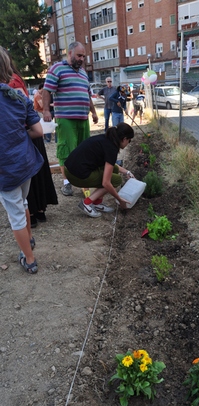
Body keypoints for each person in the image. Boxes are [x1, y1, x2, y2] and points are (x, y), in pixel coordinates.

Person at [0, 46, 44, 274]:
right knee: (23, 203)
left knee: (15, 212)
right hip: (24, 162)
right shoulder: (18, 96)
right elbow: (37, 131)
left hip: (4, 170)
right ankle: (30, 239)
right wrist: (19, 135)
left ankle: (29, 259)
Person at [42, 41, 99, 197]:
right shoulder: (57, 68)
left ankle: (82, 181)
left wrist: (93, 112)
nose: (81, 59)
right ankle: (67, 183)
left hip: (83, 118)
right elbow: (47, 91)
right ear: (70, 53)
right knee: (66, 150)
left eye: (84, 56)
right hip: (66, 118)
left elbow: (87, 94)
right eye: (79, 55)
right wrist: (46, 110)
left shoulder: (83, 73)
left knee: (83, 150)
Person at [7, 57, 58, 229]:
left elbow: (17, 111)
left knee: (29, 178)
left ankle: (34, 214)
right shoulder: (16, 78)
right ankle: (38, 212)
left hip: (23, 135)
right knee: (34, 175)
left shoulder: (11, 81)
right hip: (29, 132)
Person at [64, 122, 135, 218]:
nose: (128, 143)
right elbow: (106, 183)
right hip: (77, 175)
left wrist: (127, 172)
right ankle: (86, 203)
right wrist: (120, 199)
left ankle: (97, 203)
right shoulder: (111, 149)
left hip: (70, 169)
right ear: (124, 138)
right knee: (115, 179)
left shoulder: (105, 139)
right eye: (129, 140)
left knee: (110, 173)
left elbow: (110, 166)